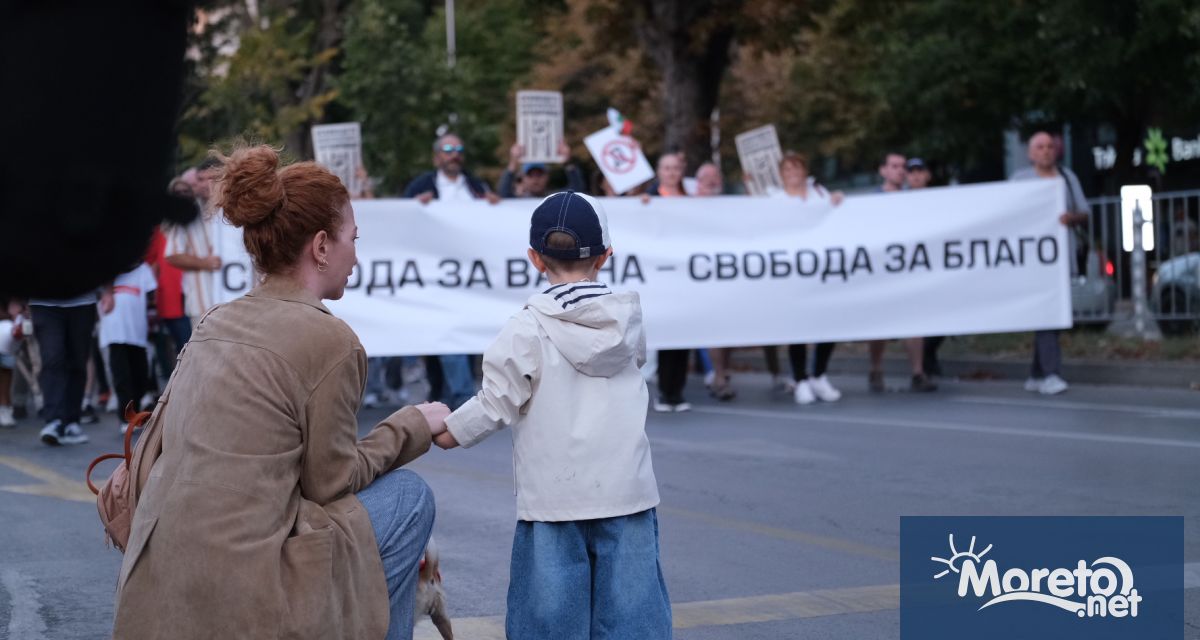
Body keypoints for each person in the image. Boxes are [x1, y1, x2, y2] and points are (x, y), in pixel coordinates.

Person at [112, 145, 451, 640]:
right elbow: (330, 482)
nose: (356, 254)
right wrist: (413, 424)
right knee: (410, 496)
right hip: (250, 602)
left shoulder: (213, 321)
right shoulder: (330, 339)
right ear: (320, 247)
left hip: (154, 595)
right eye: (351, 239)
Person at [436, 191, 671, 639]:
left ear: (533, 258)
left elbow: (496, 401)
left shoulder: (526, 326)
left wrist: (449, 432)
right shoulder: (628, 323)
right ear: (605, 256)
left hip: (552, 501)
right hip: (628, 493)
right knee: (633, 619)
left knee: (549, 624)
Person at [404, 133, 498, 408]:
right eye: (448, 148)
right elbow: (400, 221)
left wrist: (496, 205)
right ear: (437, 156)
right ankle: (462, 398)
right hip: (438, 274)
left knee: (464, 337)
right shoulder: (422, 186)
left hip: (473, 273)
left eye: (458, 148)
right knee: (450, 333)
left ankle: (446, 394)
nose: (454, 153)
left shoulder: (477, 187)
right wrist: (413, 208)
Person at [1009, 131, 1090, 395]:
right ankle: (1051, 373)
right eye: (1040, 147)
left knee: (1052, 315)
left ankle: (1037, 373)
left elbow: (1084, 212)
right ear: (1031, 154)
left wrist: (1071, 218)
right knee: (1048, 315)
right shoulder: (1020, 181)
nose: (1046, 151)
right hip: (1033, 260)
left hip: (1061, 259)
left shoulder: (1067, 178)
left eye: (1049, 147)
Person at [765, 152, 846, 404]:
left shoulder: (819, 194)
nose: (793, 173)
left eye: (797, 168)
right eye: (787, 169)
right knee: (797, 327)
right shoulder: (775, 200)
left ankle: (819, 375)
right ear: (781, 174)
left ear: (804, 170)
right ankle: (800, 379)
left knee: (828, 323)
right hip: (791, 272)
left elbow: (836, 215)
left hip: (819, 271)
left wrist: (838, 201)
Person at [868, 152, 938, 393]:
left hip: (908, 269)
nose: (900, 171)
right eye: (894, 166)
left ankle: (918, 372)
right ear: (883, 171)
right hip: (882, 271)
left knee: (914, 319)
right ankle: (876, 368)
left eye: (903, 167)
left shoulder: (913, 199)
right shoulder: (873, 200)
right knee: (880, 325)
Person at [642, 153, 693, 411]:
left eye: (676, 168)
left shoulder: (691, 201)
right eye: (667, 168)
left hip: (684, 276)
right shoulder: (649, 200)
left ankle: (678, 392)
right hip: (660, 276)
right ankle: (665, 391)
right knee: (667, 333)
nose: (672, 173)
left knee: (683, 333)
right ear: (659, 171)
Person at [32, 285, 112, 445]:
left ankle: (71, 422)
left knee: (78, 361)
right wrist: (14, 299)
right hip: (44, 302)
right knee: (52, 357)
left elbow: (100, 260)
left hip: (82, 301)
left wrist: (107, 291)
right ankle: (54, 421)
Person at [165, 158, 224, 326]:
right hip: (202, 305)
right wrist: (204, 263)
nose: (197, 185)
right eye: (198, 179)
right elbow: (171, 255)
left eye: (202, 179)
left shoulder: (237, 208)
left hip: (237, 302)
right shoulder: (187, 212)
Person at [99, 261, 157, 431]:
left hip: (137, 332)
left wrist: (153, 324)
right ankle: (125, 418)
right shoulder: (107, 269)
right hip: (114, 332)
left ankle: (135, 412)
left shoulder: (143, 269)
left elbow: (151, 297)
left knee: (140, 375)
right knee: (121, 376)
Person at [905, 158, 946, 376]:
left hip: (936, 266)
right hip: (912, 268)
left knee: (943, 315)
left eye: (920, 171)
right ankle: (922, 365)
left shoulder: (939, 200)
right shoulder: (898, 203)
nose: (916, 176)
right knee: (917, 318)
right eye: (912, 172)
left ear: (927, 175)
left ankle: (928, 352)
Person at [498, 141, 586, 198]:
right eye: (530, 175)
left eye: (539, 175)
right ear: (523, 178)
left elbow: (577, 190)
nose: (535, 179)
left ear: (547, 177)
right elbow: (503, 193)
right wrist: (513, 163)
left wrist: (567, 162)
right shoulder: (517, 201)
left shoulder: (555, 200)